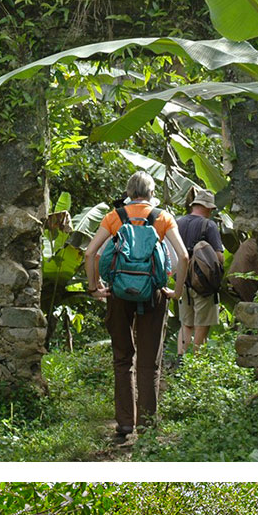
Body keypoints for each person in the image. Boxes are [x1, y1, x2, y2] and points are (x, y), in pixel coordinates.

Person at [84, 172, 188, 438]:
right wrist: (175, 291)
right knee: (149, 362)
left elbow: (90, 252)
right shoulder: (162, 217)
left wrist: (95, 287)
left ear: (129, 191)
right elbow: (184, 256)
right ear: (151, 192)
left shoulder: (114, 217)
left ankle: (125, 424)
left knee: (122, 358)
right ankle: (147, 426)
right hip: (154, 292)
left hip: (118, 294)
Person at [176, 187, 223, 356]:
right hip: (203, 284)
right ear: (208, 208)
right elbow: (219, 257)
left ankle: (181, 362)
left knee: (186, 324)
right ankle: (195, 364)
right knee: (201, 325)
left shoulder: (178, 222)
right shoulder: (208, 225)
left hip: (183, 281)